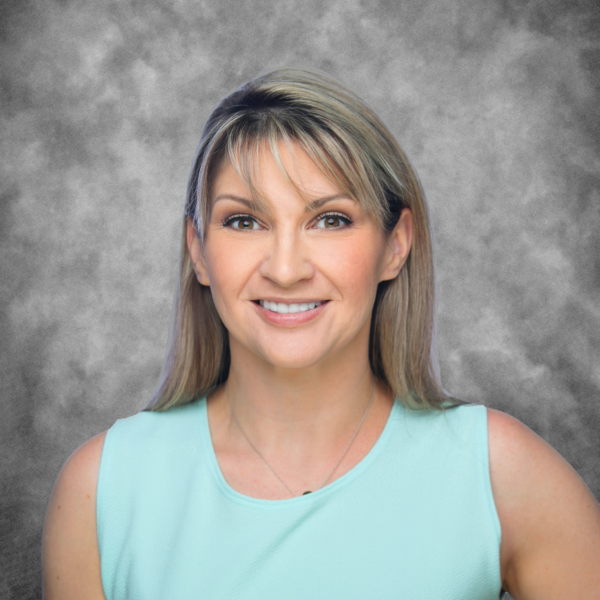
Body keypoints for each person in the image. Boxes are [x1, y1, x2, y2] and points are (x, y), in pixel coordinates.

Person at [42, 68, 600, 599]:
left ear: (395, 245)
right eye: (244, 221)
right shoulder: (102, 490)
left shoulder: (498, 471)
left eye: (329, 219)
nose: (286, 269)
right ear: (199, 253)